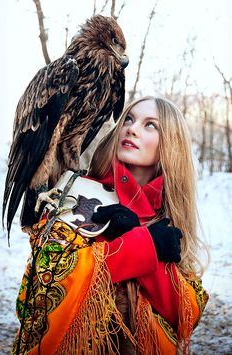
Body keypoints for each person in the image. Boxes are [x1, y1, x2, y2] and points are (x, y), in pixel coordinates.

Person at [12, 96, 208, 355]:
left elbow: (185, 315)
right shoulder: (76, 193)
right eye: (129, 118)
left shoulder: (169, 215)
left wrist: (146, 244)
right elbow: (44, 287)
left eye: (151, 125)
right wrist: (140, 247)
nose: (132, 128)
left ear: (170, 144)